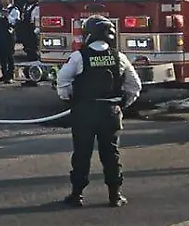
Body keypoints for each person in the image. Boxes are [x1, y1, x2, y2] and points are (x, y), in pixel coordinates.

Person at [54, 16, 140, 207]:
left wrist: (68, 98)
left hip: (84, 113)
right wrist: (123, 103)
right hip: (110, 113)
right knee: (111, 153)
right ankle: (115, 196)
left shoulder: (79, 56)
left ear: (89, 34)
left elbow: (63, 80)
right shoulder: (119, 56)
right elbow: (134, 85)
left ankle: (76, 195)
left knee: (82, 154)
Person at [0, 0, 19, 83]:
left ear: (10, 0)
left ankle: (10, 76)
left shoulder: (14, 10)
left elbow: (15, 22)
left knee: (9, 56)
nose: (3, 1)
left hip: (9, 36)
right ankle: (4, 74)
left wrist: (7, 16)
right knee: (1, 56)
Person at [17, 0, 43, 84]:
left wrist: (36, 32)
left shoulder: (37, 7)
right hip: (26, 33)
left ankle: (34, 76)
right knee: (28, 54)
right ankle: (28, 76)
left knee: (33, 55)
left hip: (33, 34)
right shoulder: (26, 6)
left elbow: (37, 21)